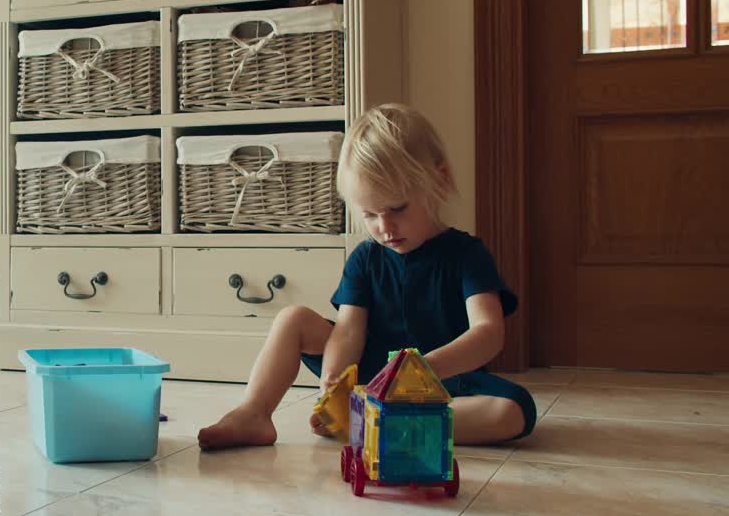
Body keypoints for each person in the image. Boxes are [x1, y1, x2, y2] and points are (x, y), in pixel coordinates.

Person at [198, 103, 536, 450]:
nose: (384, 227)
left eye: (398, 209)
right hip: (369, 376)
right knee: (292, 318)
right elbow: (348, 330)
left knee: (513, 411)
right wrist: (334, 382)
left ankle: (385, 423)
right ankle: (255, 413)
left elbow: (489, 333)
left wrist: (420, 369)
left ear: (440, 180)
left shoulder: (467, 254)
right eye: (370, 214)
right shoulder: (365, 257)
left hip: (447, 379)